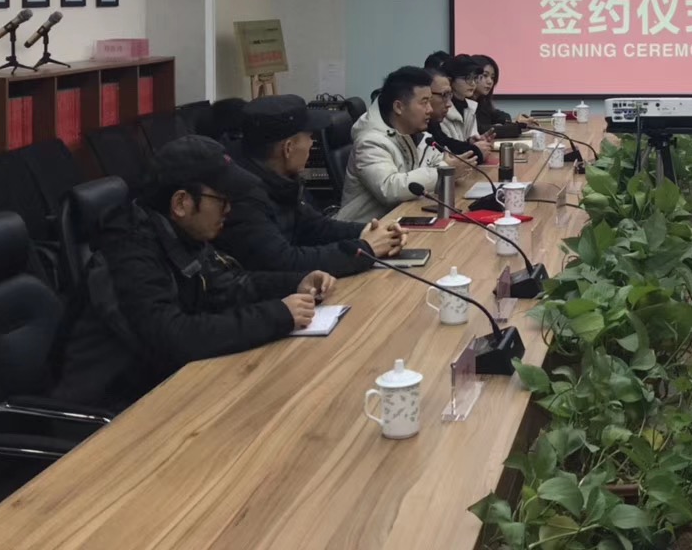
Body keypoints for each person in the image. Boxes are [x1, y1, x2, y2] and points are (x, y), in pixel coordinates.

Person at [54, 136, 335, 411]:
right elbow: (175, 337)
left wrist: (296, 282)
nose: (229, 210)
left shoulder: (179, 235)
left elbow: (231, 286)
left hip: (166, 389)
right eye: (221, 200)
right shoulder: (129, 254)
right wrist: (276, 315)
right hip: (109, 413)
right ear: (181, 203)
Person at [216, 94, 404, 276]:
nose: (312, 144)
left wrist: (369, 231)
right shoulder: (242, 196)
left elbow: (314, 227)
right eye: (310, 137)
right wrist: (364, 249)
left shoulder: (281, 178)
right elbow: (284, 262)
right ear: (288, 148)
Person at [341, 66, 442, 223]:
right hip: (364, 230)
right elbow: (390, 189)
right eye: (424, 102)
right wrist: (445, 172)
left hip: (399, 221)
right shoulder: (370, 142)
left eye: (430, 101)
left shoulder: (419, 136)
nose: (430, 109)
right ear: (398, 107)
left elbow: (437, 162)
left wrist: (451, 166)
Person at [424, 67, 486, 162]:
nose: (449, 104)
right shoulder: (417, 130)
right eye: (444, 95)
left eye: (449, 95)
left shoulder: (432, 123)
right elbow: (445, 152)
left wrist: (470, 144)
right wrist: (476, 150)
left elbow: (444, 142)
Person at [471, 54, 533, 138]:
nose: (490, 81)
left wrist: (508, 123)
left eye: (492, 77)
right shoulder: (465, 103)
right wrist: (518, 127)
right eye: (485, 75)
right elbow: (479, 130)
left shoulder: (482, 102)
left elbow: (503, 116)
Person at [441, 54, 485, 144]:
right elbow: (448, 147)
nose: (473, 83)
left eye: (475, 78)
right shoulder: (443, 109)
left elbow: (468, 138)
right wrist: (472, 146)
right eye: (467, 78)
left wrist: (473, 141)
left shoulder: (471, 107)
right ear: (450, 80)